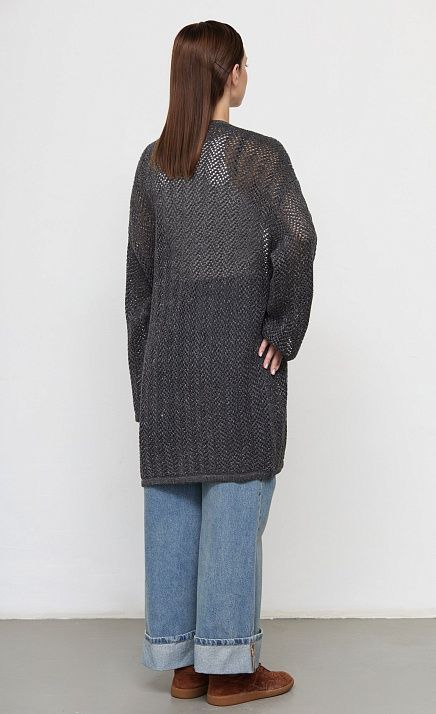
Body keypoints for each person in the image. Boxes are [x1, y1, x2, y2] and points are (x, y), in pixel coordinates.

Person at [125, 19, 317, 707]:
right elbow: (299, 239)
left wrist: (144, 380)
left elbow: (139, 284)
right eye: (245, 66)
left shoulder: (153, 165)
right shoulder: (261, 160)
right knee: (235, 502)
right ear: (231, 74)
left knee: (173, 504)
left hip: (169, 364)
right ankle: (230, 667)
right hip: (238, 363)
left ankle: (183, 664)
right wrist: (281, 330)